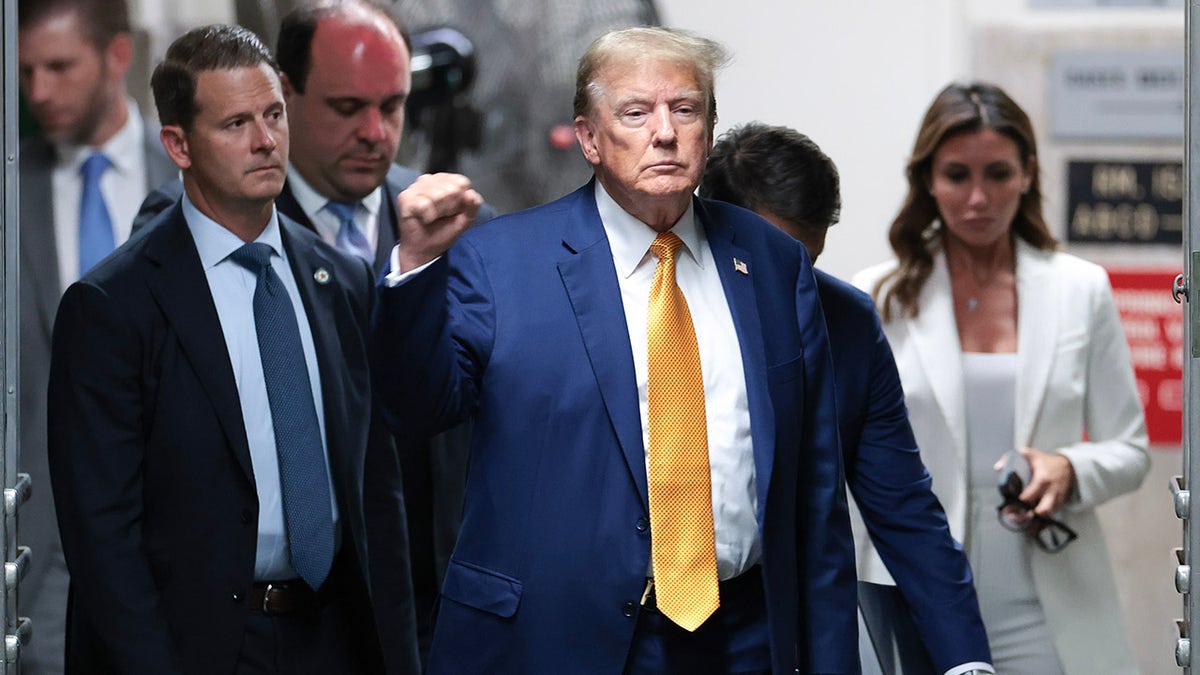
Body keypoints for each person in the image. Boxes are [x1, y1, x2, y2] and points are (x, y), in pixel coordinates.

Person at [373, 26, 856, 674]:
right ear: (590, 138)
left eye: (685, 110)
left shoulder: (770, 263)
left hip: (743, 637)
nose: (665, 132)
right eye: (636, 112)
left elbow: (815, 489)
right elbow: (417, 406)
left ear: (709, 132)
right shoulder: (503, 260)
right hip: (556, 640)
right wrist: (416, 267)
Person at [48, 24, 418, 673]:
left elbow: (377, 492)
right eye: (236, 123)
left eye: (274, 114)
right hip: (198, 646)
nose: (266, 140)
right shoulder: (114, 305)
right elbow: (103, 540)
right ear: (179, 145)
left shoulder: (342, 279)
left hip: (335, 637)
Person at [132, 7, 493, 654]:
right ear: (285, 94)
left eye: (393, 105)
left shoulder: (459, 227)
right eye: (348, 106)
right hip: (264, 621)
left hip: (435, 609)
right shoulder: (190, 221)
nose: (375, 132)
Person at [852, 82, 1150, 674]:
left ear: (1028, 174)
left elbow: (1131, 450)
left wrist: (1071, 468)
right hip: (916, 593)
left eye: (999, 173)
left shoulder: (1078, 289)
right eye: (958, 175)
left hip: (1049, 596)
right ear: (928, 180)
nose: (979, 198)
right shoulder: (876, 297)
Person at [700, 122, 993, 675]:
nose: (792, 283)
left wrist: (966, 663)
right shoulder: (650, 315)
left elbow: (904, 507)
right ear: (713, 222)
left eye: (805, 261)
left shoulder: (848, 325)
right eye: (772, 260)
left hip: (787, 638)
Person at [16, 0, 177, 669]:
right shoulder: (7, 189)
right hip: (39, 553)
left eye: (59, 67)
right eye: (25, 72)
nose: (39, 92)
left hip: (177, 541)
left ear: (117, 56)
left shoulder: (189, 176)